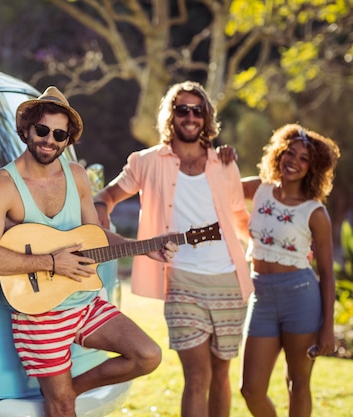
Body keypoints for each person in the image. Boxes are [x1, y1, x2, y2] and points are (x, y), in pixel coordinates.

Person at [0, 86, 177, 417]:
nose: (49, 140)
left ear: (68, 140)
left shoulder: (78, 177)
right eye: (42, 130)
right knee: (63, 408)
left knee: (148, 355)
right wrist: (53, 262)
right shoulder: (2, 186)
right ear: (26, 129)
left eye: (59, 135)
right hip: (38, 314)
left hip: (84, 303)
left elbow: (94, 236)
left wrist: (141, 248)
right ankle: (62, 397)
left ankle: (70, 389)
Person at [93, 81, 252, 417]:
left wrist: (267, 248)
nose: (190, 116)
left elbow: (239, 217)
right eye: (182, 109)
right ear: (172, 115)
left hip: (229, 281)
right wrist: (100, 215)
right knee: (197, 375)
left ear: (206, 117)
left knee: (221, 374)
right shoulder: (146, 162)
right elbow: (107, 195)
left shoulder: (225, 163)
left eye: (198, 110)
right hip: (181, 281)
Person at [239, 124, 340, 417]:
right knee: (251, 389)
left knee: (298, 383)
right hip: (261, 297)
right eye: (289, 153)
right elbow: (220, 181)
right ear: (278, 154)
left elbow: (327, 273)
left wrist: (328, 328)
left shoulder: (315, 212)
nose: (294, 161)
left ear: (313, 168)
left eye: (304, 158)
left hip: (301, 297)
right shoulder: (259, 189)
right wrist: (223, 155)